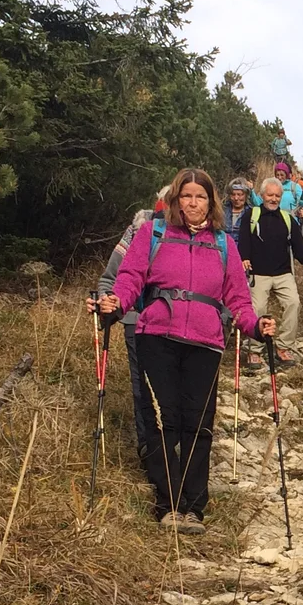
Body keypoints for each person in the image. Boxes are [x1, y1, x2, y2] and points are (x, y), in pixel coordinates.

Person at [92, 168, 270, 532]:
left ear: (211, 202)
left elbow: (238, 297)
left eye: (200, 196)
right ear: (175, 200)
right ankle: (168, 503)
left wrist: (255, 326)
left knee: (198, 424)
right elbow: (129, 278)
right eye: (186, 195)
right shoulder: (152, 233)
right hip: (155, 335)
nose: (193, 202)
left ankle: (194, 507)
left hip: (205, 342)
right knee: (162, 420)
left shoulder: (224, 244)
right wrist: (114, 304)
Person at [93, 185, 171, 472]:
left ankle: (174, 451)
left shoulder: (195, 238)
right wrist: (105, 301)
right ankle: (150, 450)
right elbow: (109, 277)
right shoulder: (135, 230)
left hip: (177, 326)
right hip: (136, 319)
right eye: (162, 211)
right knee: (142, 388)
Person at [239, 175, 303, 371]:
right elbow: (243, 241)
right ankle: (254, 350)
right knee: (256, 310)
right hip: (258, 273)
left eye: (277, 195)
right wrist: (244, 258)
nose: (273, 199)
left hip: (283, 274)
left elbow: (300, 249)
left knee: (293, 303)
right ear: (262, 195)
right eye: (270, 195)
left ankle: (284, 347)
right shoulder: (251, 216)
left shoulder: (288, 219)